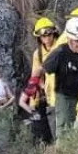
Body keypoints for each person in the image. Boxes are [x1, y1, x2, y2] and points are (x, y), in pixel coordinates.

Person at [42, 16, 78, 137]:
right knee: (65, 130)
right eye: (76, 41)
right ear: (68, 39)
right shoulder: (59, 53)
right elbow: (44, 69)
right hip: (64, 97)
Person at [19, 17, 58, 145]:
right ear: (39, 38)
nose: (47, 38)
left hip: (62, 91)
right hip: (47, 95)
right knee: (45, 131)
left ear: (53, 33)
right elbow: (35, 75)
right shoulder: (38, 54)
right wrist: (32, 100)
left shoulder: (61, 47)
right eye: (43, 36)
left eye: (49, 34)